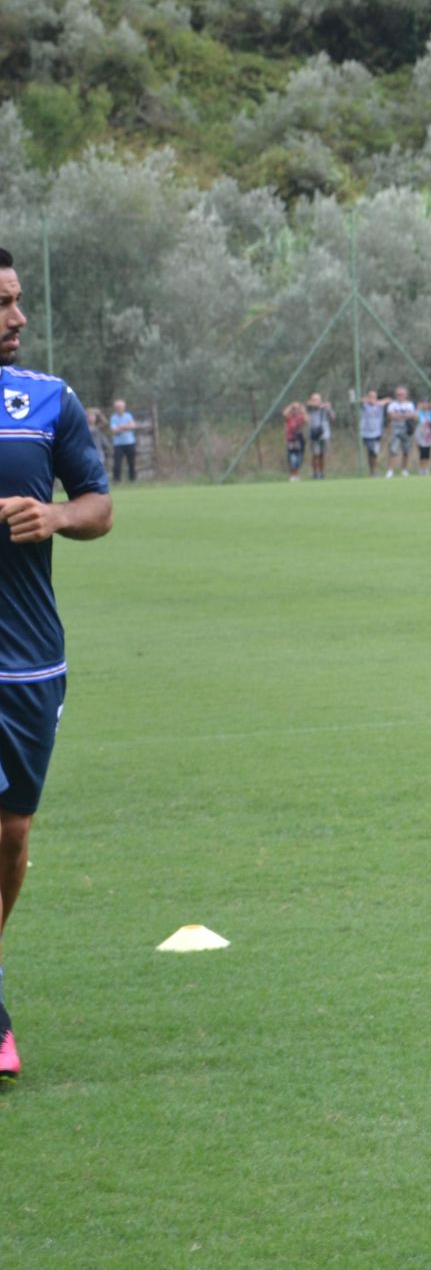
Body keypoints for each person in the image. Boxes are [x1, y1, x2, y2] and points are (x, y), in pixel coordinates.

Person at [0, 245, 115, 1086]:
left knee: (9, 837)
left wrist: (55, 515)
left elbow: (100, 504)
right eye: (3, 303)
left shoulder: (47, 401)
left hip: (28, 665)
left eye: (16, 301)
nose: (18, 317)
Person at [385, 385, 418, 478]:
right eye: (398, 394)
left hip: (407, 430)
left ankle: (404, 469)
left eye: (402, 394)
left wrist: (401, 415)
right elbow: (392, 415)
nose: (400, 396)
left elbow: (415, 416)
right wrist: (406, 415)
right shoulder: (392, 404)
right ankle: (390, 470)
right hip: (395, 430)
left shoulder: (410, 404)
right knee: (393, 450)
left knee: (406, 450)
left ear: (406, 395)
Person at [106, 399, 137, 483]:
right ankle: (116, 480)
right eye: (117, 407)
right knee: (117, 463)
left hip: (130, 443)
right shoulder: (113, 417)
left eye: (120, 407)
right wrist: (126, 426)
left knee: (131, 462)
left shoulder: (128, 415)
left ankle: (132, 480)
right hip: (118, 444)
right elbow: (114, 430)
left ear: (124, 407)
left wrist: (121, 427)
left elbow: (133, 426)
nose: (119, 408)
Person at [305, 393, 333, 480]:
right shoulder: (310, 408)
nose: (316, 401)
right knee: (315, 454)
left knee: (322, 454)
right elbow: (308, 405)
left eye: (317, 399)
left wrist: (328, 409)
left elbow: (332, 417)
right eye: (314, 399)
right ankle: (315, 473)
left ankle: (322, 472)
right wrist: (320, 405)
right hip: (314, 433)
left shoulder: (324, 408)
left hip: (324, 434)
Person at [359, 388, 386, 476]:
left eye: (374, 396)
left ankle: (374, 470)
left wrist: (376, 402)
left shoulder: (379, 405)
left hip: (377, 432)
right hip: (367, 433)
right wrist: (368, 400)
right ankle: (372, 470)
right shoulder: (365, 405)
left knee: (375, 452)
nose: (372, 398)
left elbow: (388, 400)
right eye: (370, 396)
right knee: (371, 452)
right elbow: (360, 400)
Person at [283, 401, 307, 482]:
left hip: (299, 440)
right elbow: (284, 413)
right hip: (291, 439)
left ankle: (297, 475)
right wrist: (291, 406)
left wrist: (302, 410)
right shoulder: (289, 417)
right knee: (292, 458)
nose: (295, 410)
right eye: (294, 409)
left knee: (299, 459)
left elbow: (307, 419)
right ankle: (293, 475)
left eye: (297, 409)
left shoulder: (300, 417)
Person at [415, 396, 431, 476]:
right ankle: (421, 468)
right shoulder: (420, 412)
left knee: (428, 452)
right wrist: (418, 408)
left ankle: (427, 468)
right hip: (421, 434)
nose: (425, 405)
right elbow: (416, 417)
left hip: (429, 434)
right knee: (422, 452)